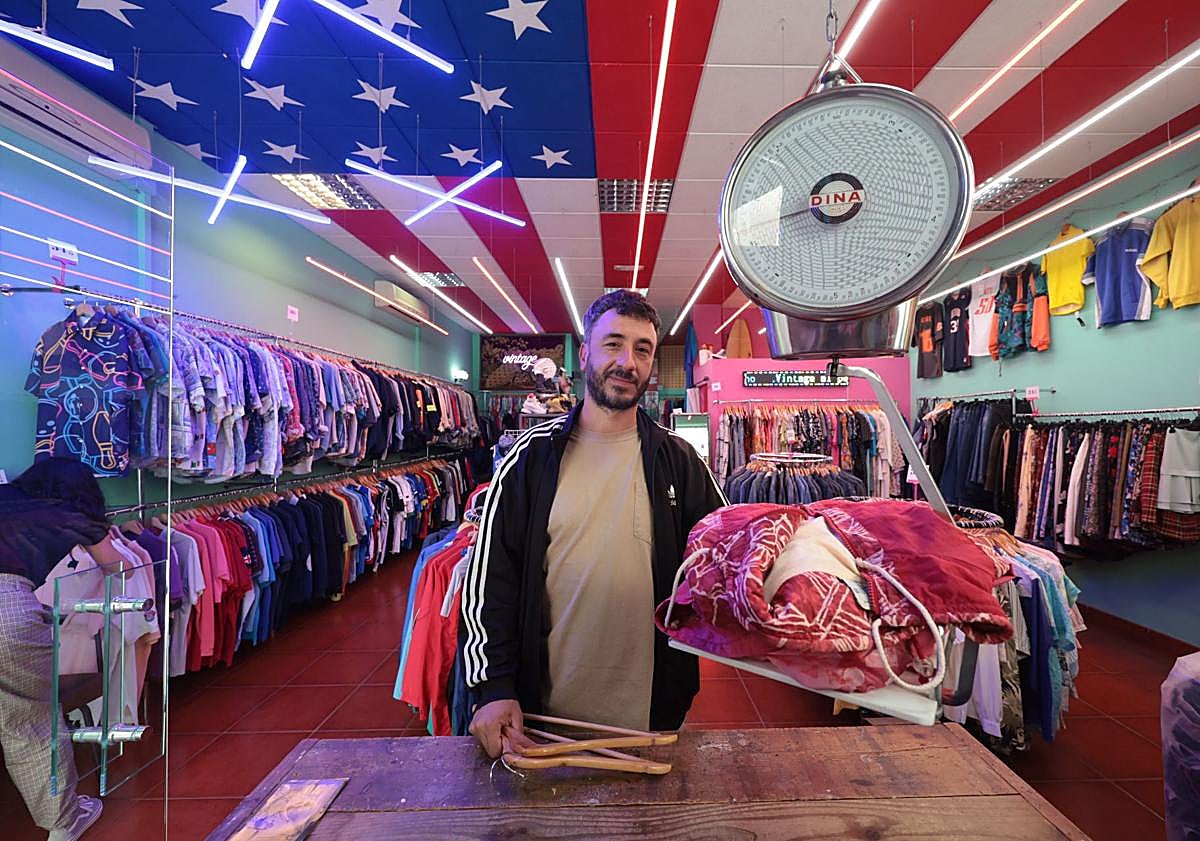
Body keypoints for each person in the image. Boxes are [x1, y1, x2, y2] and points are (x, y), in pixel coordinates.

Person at [461, 290, 727, 759]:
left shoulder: (680, 462)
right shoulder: (531, 460)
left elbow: (724, 559)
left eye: (642, 349)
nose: (628, 362)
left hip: (653, 717)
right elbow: (491, 580)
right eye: (613, 344)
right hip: (544, 720)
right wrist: (493, 685)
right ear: (584, 354)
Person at [0, 458, 122, 840]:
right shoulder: (73, 515)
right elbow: (117, 567)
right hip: (7, 610)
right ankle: (63, 824)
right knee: (30, 724)